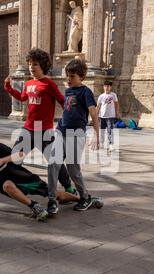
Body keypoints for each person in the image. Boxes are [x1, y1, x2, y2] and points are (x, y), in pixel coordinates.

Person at [0, 125, 79, 222]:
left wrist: (1, 160)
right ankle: (34, 206)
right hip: (10, 186)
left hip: (26, 179)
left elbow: (20, 155)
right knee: (6, 185)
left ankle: (82, 199)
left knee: (57, 195)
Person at [4, 48, 77, 196]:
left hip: (44, 131)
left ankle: (68, 186)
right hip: (28, 128)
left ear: (42, 65)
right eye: (30, 63)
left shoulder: (49, 84)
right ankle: (15, 183)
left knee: (54, 160)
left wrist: (72, 115)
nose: (31, 67)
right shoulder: (29, 83)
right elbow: (23, 98)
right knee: (15, 157)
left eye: (35, 64)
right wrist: (9, 88)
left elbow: (62, 101)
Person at [47, 58, 100, 215]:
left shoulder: (86, 92)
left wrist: (97, 135)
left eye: (72, 76)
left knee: (73, 169)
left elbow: (93, 112)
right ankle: (51, 199)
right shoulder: (68, 91)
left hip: (76, 135)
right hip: (61, 131)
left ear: (82, 76)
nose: (68, 79)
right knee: (53, 163)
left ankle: (85, 197)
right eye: (67, 76)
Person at [97, 80, 120, 152]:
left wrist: (117, 113)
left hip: (110, 116)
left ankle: (111, 145)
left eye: (108, 86)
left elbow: (116, 104)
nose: (107, 87)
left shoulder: (113, 95)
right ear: (103, 87)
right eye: (105, 86)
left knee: (110, 130)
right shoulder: (101, 96)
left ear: (111, 87)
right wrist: (96, 115)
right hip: (102, 116)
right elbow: (98, 106)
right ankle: (102, 143)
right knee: (102, 130)